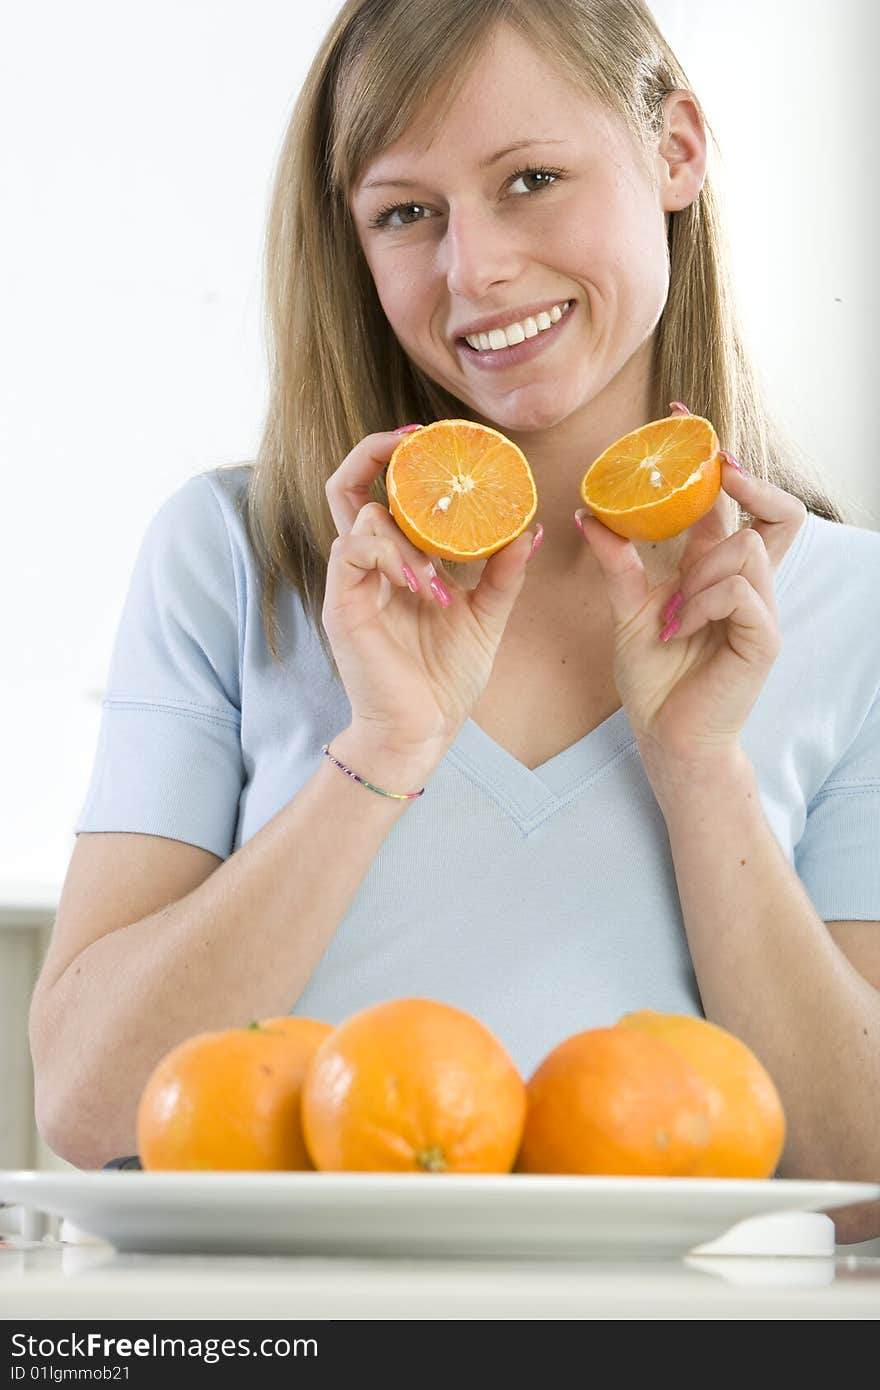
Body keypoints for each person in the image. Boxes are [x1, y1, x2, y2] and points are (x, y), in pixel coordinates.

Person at [29, 0, 880, 1240]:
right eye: (405, 213)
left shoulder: (846, 608)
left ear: (677, 151)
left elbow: (859, 1178)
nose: (471, 267)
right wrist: (381, 749)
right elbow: (90, 1103)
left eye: (530, 179)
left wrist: (700, 769)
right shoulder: (234, 556)